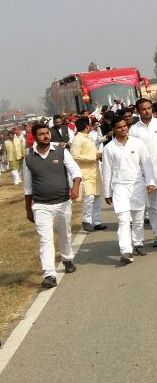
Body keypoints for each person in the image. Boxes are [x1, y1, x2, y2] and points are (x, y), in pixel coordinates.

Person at [23, 122, 82, 288]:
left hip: (62, 202)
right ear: (35, 137)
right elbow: (27, 187)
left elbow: (75, 172)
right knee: (45, 239)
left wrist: (75, 187)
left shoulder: (61, 151)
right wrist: (28, 209)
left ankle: (67, 259)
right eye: (41, 134)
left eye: (47, 133)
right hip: (40, 205)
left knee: (65, 234)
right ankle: (49, 274)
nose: (46, 136)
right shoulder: (29, 157)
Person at [102, 116, 157, 264]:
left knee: (138, 219)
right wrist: (107, 192)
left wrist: (150, 182)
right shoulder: (109, 148)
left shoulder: (137, 143)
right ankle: (126, 250)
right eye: (119, 127)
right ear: (113, 129)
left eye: (125, 126)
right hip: (119, 187)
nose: (123, 129)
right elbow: (106, 171)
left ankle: (138, 244)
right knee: (123, 220)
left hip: (137, 185)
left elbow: (147, 163)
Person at [130, 98, 157, 247]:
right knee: (152, 206)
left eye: (149, 108)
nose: (147, 111)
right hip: (145, 174)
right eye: (143, 109)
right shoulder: (134, 130)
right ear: (138, 111)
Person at [71, 117, 106, 232]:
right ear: (86, 126)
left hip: (94, 171)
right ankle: (86, 221)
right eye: (90, 125)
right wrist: (93, 157)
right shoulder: (78, 139)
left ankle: (96, 221)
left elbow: (91, 151)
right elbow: (75, 156)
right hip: (84, 172)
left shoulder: (88, 138)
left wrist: (98, 154)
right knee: (89, 197)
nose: (91, 127)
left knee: (96, 196)